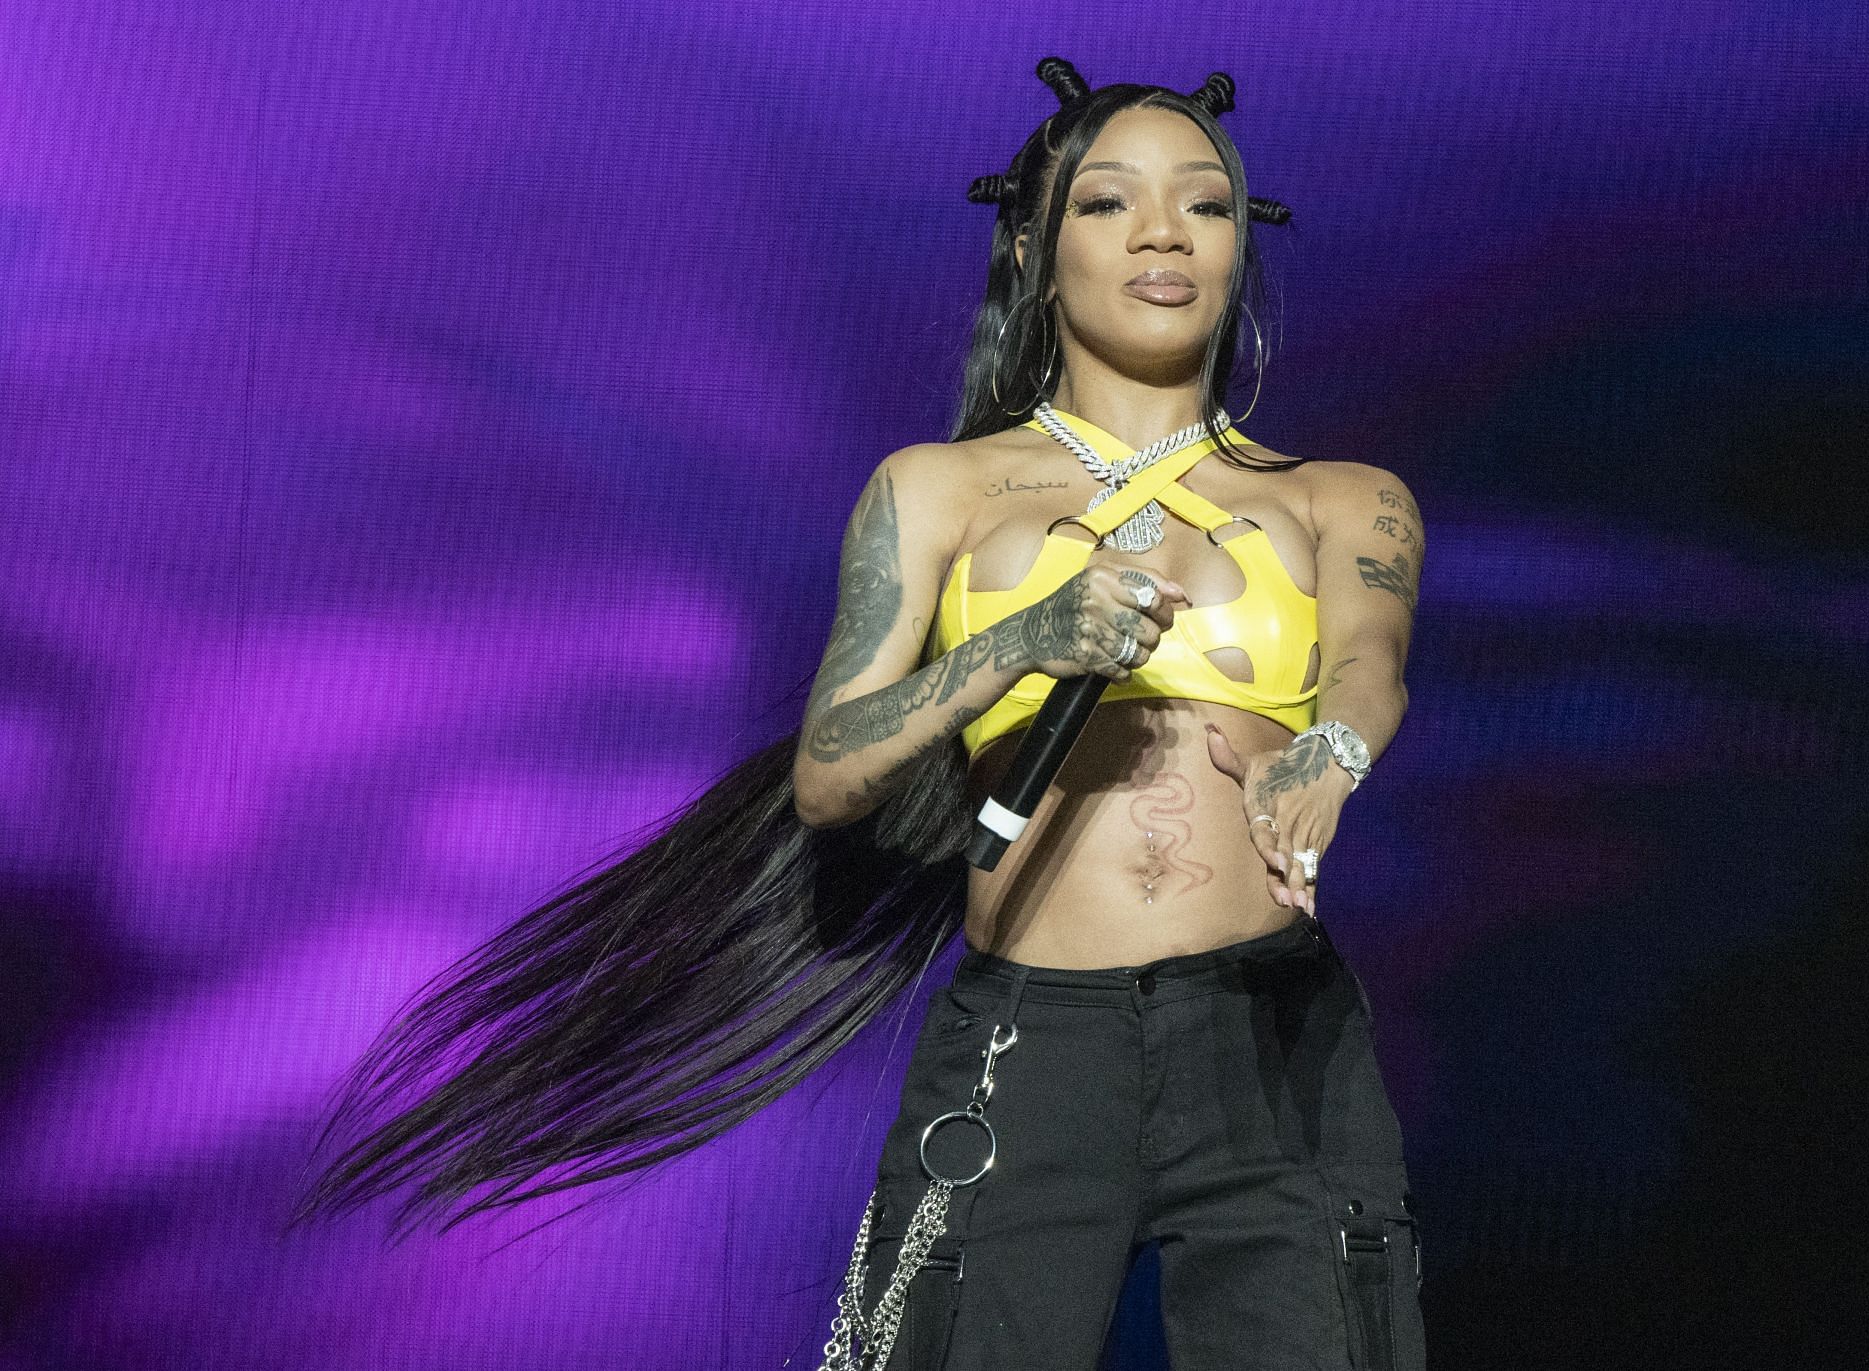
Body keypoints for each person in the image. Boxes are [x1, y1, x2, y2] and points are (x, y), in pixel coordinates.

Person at [291, 57, 1427, 1371]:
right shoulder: (938, 493)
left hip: (1272, 1034)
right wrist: (1020, 643)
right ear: (1038, 243)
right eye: (1111, 202)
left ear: (1243, 242)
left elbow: (1370, 663)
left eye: (1206, 204)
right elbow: (832, 770)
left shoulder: (1343, 498)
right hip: (1031, 1038)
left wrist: (1331, 755)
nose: (1165, 233)